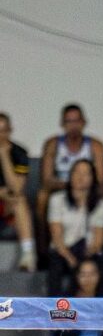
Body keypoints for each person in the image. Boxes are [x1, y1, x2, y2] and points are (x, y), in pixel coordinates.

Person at [47, 160, 103, 296]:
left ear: (93, 178)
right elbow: (57, 237)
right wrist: (72, 260)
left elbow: (98, 241)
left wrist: (84, 259)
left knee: (99, 264)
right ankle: (54, 305)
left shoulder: (102, 204)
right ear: (70, 175)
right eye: (77, 172)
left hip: (88, 251)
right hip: (63, 250)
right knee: (56, 265)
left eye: (86, 173)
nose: (80, 177)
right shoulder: (57, 199)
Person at [39, 104, 103, 225]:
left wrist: (81, 186)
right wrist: (71, 185)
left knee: (102, 196)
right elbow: (47, 178)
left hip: (87, 188)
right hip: (60, 188)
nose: (73, 126)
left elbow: (100, 178)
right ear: (62, 124)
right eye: (69, 121)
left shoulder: (96, 145)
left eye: (77, 121)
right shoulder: (53, 144)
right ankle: (42, 236)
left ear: (84, 122)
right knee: (42, 196)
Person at [0, 112, 36, 271]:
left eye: (3, 131)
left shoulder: (19, 153)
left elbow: (16, 188)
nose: (0, 136)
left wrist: (4, 155)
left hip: (8, 206)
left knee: (20, 200)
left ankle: (28, 254)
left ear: (10, 131)